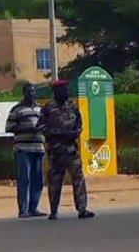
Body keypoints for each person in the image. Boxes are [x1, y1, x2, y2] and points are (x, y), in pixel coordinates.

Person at [38, 79, 95, 220]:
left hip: (71, 150)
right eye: (64, 90)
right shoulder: (47, 108)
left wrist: (75, 133)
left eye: (67, 90)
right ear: (56, 92)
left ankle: (82, 209)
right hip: (56, 152)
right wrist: (57, 134)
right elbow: (40, 127)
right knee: (55, 182)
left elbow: (79, 123)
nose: (67, 93)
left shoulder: (72, 106)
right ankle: (54, 210)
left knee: (78, 179)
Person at [6, 83, 47, 218]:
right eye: (29, 91)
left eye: (34, 91)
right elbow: (9, 127)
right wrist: (28, 129)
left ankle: (34, 208)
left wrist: (41, 129)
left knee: (38, 179)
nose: (32, 94)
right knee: (25, 179)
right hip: (23, 148)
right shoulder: (17, 109)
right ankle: (23, 210)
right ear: (24, 93)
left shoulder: (41, 109)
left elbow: (46, 125)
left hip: (38, 148)